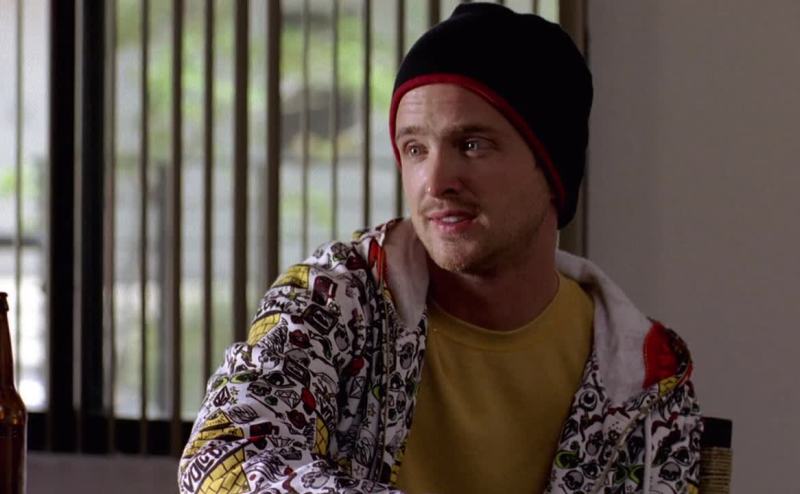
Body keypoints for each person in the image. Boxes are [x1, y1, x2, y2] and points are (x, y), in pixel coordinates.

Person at [178, 3, 702, 493]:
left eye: (472, 145)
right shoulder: (334, 302)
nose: (435, 181)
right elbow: (225, 458)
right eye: (415, 148)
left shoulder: (645, 376)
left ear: (552, 170)